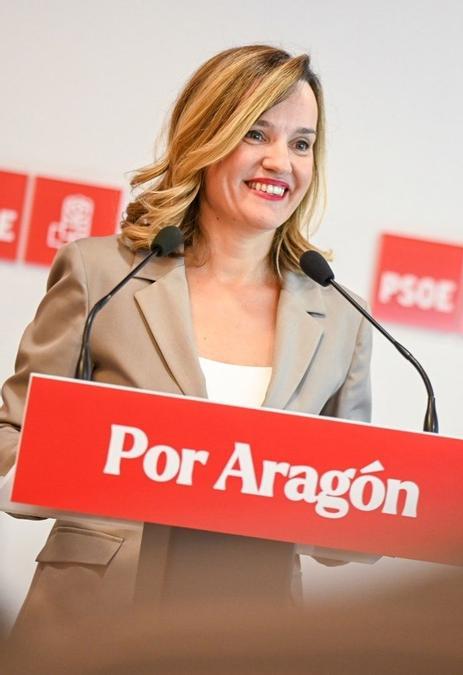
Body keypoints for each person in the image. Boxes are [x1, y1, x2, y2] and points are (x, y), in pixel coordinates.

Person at [0, 45, 372, 637]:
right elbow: (12, 436)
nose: (282, 162)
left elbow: (352, 500)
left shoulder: (341, 316)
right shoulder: (101, 273)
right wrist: (106, 471)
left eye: (301, 143)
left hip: (252, 631)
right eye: (257, 134)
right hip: (91, 623)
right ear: (208, 136)